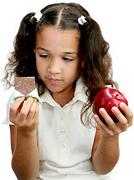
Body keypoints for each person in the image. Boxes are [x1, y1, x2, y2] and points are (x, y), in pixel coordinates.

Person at [2, 2, 133, 180]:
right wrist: (26, 131)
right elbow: (25, 177)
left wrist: (111, 136)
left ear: (84, 58)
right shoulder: (24, 92)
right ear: (34, 52)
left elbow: (102, 169)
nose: (54, 69)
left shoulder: (98, 94)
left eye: (67, 58)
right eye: (44, 56)